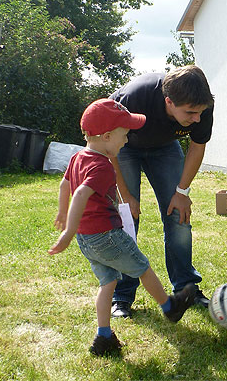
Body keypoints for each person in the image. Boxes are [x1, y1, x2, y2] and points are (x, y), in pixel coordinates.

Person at [48, 99, 197, 356]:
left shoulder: (77, 158)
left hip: (88, 240)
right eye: (124, 136)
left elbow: (65, 186)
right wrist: (67, 232)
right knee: (143, 267)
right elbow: (82, 193)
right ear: (106, 136)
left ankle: (103, 336)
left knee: (107, 283)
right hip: (107, 236)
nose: (126, 142)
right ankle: (169, 307)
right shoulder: (102, 165)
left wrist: (63, 213)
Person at [108, 65, 215, 318]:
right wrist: (125, 196)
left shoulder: (201, 105)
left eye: (200, 113)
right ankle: (122, 296)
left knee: (178, 216)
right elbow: (109, 146)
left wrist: (182, 191)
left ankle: (186, 289)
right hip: (123, 147)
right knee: (127, 220)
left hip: (164, 148)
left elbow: (197, 147)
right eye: (190, 113)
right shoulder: (134, 98)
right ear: (168, 101)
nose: (197, 119)